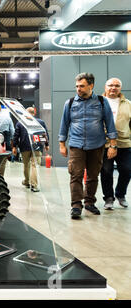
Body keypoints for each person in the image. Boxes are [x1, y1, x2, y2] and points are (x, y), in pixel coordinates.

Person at [58, 73, 118, 219]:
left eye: (82, 86)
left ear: (91, 85)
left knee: (93, 176)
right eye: (77, 86)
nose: (78, 89)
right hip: (76, 145)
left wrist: (113, 145)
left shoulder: (101, 102)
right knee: (76, 175)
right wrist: (62, 144)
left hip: (97, 145)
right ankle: (76, 205)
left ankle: (89, 202)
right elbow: (64, 123)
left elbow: (109, 123)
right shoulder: (70, 103)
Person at [100, 78, 131, 209]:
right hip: (104, 144)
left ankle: (120, 193)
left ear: (120, 88)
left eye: (117, 85)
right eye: (110, 85)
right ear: (105, 87)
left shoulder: (128, 104)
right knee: (106, 171)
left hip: (124, 143)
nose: (113, 88)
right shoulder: (98, 102)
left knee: (127, 170)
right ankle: (108, 198)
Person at [12, 107, 49, 192]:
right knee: (34, 166)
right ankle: (34, 185)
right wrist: (46, 144)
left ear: (25, 113)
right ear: (34, 113)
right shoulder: (40, 122)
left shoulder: (20, 123)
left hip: (24, 147)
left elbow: (16, 136)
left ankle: (27, 182)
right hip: (37, 146)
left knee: (26, 165)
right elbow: (44, 134)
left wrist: (14, 147)